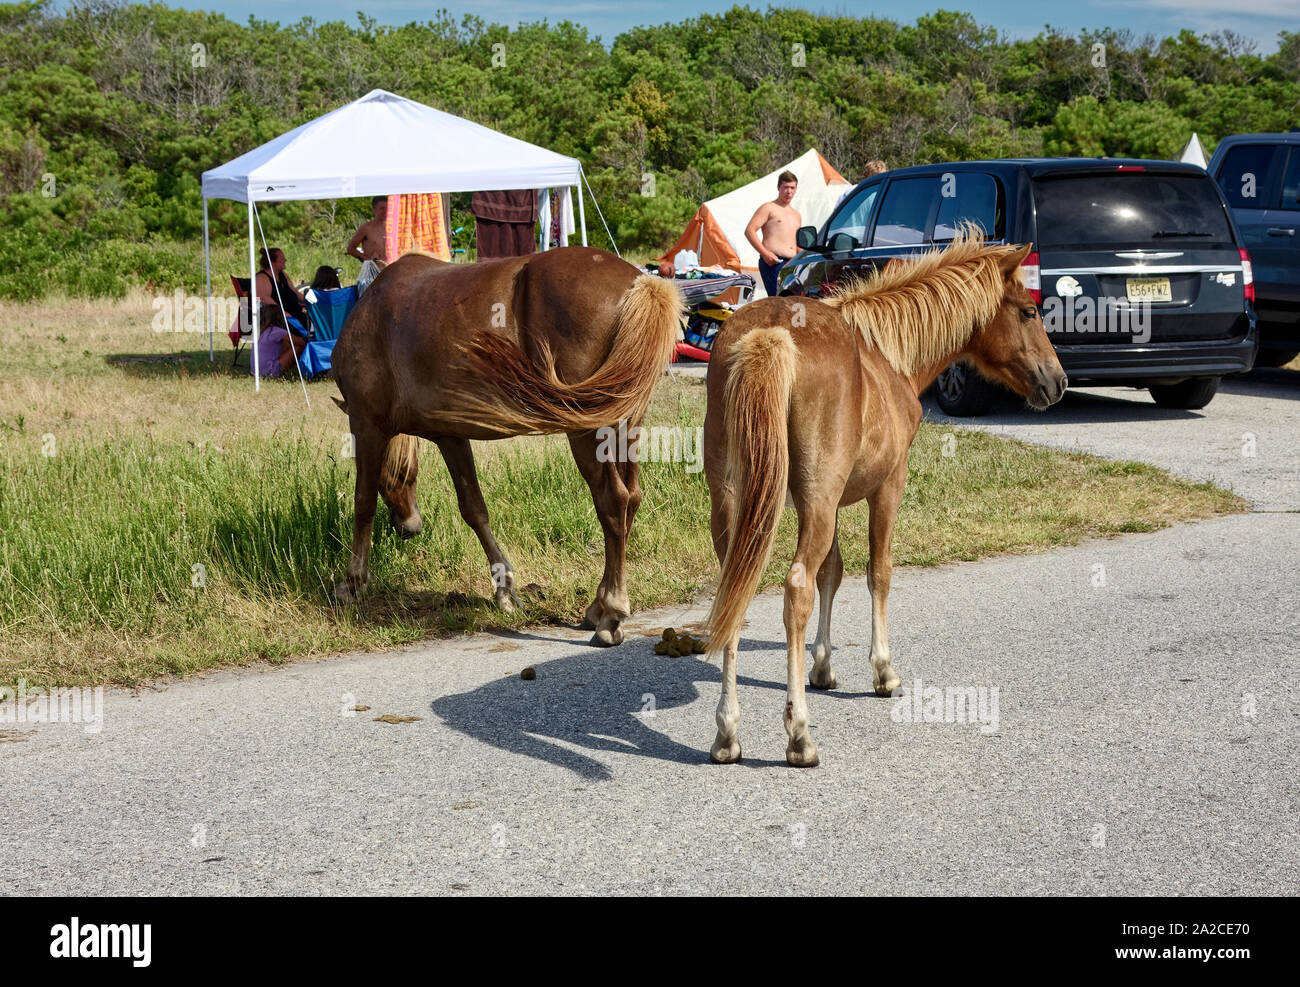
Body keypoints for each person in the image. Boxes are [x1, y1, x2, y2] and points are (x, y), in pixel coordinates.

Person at [744, 171, 801, 297]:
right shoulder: (769, 208)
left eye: (792, 188)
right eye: (785, 187)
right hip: (773, 263)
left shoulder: (796, 215)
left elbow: (797, 244)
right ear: (778, 187)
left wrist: (799, 260)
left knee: (793, 302)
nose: (789, 191)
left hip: (791, 264)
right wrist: (765, 254)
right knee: (778, 302)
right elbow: (749, 230)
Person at [255, 247, 312, 336]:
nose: (285, 260)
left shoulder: (283, 275)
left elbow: (295, 293)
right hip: (278, 319)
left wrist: (311, 302)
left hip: (295, 314)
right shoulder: (261, 278)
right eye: (282, 258)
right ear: (272, 262)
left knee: (315, 319)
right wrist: (284, 313)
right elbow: (264, 300)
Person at [250, 304, 306, 379]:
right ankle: (305, 369)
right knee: (297, 347)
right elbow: (300, 342)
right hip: (269, 372)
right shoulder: (277, 331)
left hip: (255, 371)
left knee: (287, 344)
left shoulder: (260, 331)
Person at [347, 195, 388, 292]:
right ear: (374, 209)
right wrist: (367, 259)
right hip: (372, 271)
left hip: (388, 270)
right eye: (382, 208)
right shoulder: (366, 228)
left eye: (387, 208)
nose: (385, 211)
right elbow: (350, 248)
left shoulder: (391, 228)